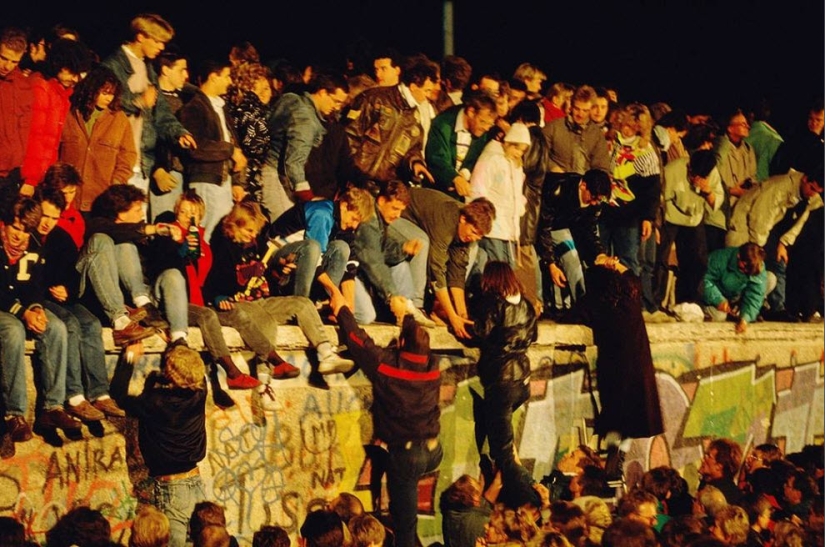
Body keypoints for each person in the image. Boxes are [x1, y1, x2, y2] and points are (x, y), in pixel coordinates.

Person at [329, 283, 442, 547]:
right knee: (404, 515)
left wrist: (343, 309)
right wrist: (407, 316)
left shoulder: (389, 368)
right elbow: (414, 343)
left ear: (401, 344)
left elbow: (358, 340)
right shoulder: (432, 367)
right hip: (433, 451)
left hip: (407, 455)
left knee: (405, 524)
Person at [204, 200, 354, 382]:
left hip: (263, 299)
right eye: (248, 231)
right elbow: (212, 282)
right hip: (240, 302)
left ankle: (326, 353)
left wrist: (280, 270)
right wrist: (219, 297)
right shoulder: (224, 246)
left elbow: (268, 272)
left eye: (255, 232)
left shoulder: (256, 242)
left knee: (303, 303)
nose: (252, 236)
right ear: (234, 225)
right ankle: (264, 376)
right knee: (265, 321)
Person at [559, 261, 664, 481]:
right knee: (629, 421)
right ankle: (616, 463)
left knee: (616, 421)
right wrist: (615, 263)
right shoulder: (630, 292)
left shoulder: (596, 303)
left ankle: (613, 466)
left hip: (615, 372)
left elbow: (570, 317)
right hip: (639, 367)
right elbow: (632, 275)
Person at [36, 185, 126, 422]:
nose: (47, 222)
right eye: (44, 215)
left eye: (54, 217)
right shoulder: (29, 236)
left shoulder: (60, 237)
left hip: (63, 299)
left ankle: (100, 393)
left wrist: (68, 289)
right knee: (71, 325)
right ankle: (75, 396)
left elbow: (72, 275)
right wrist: (49, 290)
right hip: (39, 298)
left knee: (91, 323)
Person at [0, 196, 81, 449]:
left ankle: (52, 406)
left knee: (56, 327)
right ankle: (14, 413)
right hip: (4, 307)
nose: (19, 238)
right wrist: (23, 312)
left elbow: (35, 284)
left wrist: (35, 307)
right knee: (12, 331)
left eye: (25, 232)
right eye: (15, 229)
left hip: (22, 306)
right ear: (4, 224)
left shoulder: (33, 245)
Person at [110, 344, 208, 547]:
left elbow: (118, 395)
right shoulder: (200, 392)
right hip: (196, 483)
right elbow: (186, 373)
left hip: (171, 488)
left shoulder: (155, 403)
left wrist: (129, 357)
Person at [101, 13, 197, 217]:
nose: (162, 47)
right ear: (141, 37)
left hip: (142, 161)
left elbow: (161, 112)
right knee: (117, 220)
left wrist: (178, 133)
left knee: (137, 223)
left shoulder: (148, 70)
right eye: (158, 41)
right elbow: (107, 104)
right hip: (117, 160)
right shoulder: (112, 65)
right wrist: (139, 101)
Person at [470, 261, 538, 493]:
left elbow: (480, 332)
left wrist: (458, 322)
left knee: (503, 453)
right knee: (505, 446)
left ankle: (531, 495)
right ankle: (504, 495)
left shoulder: (493, 304)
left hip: (501, 381)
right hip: (523, 381)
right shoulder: (527, 306)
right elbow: (534, 334)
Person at [400, 188, 495, 338]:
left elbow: (457, 273)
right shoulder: (445, 219)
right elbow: (436, 270)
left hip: (423, 223)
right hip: (402, 215)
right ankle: (417, 306)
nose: (475, 238)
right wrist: (452, 316)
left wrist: (462, 315)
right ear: (463, 219)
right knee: (422, 241)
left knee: (468, 254)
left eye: (479, 236)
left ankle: (439, 309)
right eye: (474, 232)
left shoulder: (463, 231)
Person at [264, 71, 349, 221]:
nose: (337, 107)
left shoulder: (290, 99)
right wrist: (308, 197)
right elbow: (294, 163)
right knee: (285, 228)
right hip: (276, 175)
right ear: (322, 92)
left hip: (266, 168)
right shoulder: (306, 121)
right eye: (336, 101)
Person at [178, 59, 247, 242]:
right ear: (213, 77)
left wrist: (238, 181)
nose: (230, 81)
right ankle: (196, 270)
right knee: (204, 234)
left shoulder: (221, 107)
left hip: (223, 181)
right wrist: (230, 150)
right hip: (205, 181)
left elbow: (233, 141)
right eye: (226, 76)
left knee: (219, 235)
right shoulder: (194, 108)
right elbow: (196, 147)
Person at [349, 180, 433, 326]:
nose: (397, 215)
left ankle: (407, 309)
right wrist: (391, 295)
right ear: (381, 201)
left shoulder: (381, 219)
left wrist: (402, 248)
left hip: (363, 272)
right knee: (366, 316)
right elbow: (373, 261)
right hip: (350, 272)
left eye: (400, 211)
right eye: (395, 208)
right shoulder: (370, 220)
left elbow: (382, 247)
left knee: (401, 265)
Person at [344, 56, 436, 185]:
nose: (429, 95)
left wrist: (415, 163)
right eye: (427, 90)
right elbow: (349, 135)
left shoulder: (415, 117)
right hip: (354, 181)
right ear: (414, 87)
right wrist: (351, 173)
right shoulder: (374, 99)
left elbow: (413, 148)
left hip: (384, 188)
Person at [59, 65, 138, 216]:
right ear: (92, 90)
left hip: (101, 200)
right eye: (105, 93)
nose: (109, 98)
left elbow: (128, 156)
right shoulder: (69, 113)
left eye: (112, 94)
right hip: (68, 199)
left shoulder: (119, 119)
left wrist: (116, 183)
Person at [18, 37, 92, 196]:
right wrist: (30, 179)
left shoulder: (60, 94)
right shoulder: (40, 88)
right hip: (28, 178)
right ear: (58, 64)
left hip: (44, 177)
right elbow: (34, 137)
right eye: (71, 71)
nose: (74, 78)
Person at [655, 149, 723, 308]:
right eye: (693, 174)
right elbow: (660, 199)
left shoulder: (712, 173)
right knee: (660, 259)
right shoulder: (673, 170)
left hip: (694, 219)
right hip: (670, 216)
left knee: (698, 261)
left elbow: (716, 202)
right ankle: (655, 302)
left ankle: (690, 303)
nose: (695, 179)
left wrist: (707, 191)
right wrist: (657, 226)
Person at [536, 169, 613, 307]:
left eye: (599, 199)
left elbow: (590, 230)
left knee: (573, 260)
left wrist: (599, 254)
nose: (595, 202)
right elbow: (544, 227)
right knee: (566, 256)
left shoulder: (595, 203)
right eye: (594, 197)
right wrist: (551, 263)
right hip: (546, 226)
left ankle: (581, 305)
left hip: (566, 228)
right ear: (583, 185)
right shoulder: (557, 189)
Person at [469, 123, 531, 266]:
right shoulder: (491, 160)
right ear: (507, 142)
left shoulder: (516, 167)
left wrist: (520, 207)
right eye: (516, 147)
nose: (518, 153)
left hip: (509, 229)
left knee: (508, 268)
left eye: (522, 150)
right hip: (493, 227)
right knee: (496, 268)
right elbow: (478, 188)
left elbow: (517, 193)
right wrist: (484, 216)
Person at [425, 90, 498, 199]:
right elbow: (436, 158)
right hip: (434, 192)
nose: (486, 128)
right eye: (483, 122)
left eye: (490, 124)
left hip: (458, 195)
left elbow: (476, 161)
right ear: (471, 112)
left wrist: (465, 173)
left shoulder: (482, 132)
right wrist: (454, 178)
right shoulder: (443, 123)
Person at [701, 243, 769, 334]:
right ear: (738, 256)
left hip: (735, 298)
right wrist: (718, 300)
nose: (746, 272)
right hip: (713, 297)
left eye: (749, 272)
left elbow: (755, 294)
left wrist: (745, 319)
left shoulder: (757, 265)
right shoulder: (720, 258)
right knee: (719, 317)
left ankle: (742, 311)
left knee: (770, 279)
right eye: (744, 268)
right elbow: (704, 281)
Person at [0, 27, 35, 194]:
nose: (7, 66)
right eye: (3, 58)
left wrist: (26, 174)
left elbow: (26, 132)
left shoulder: (23, 86)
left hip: (11, 173)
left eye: (14, 62)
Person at [699, 438, 744, 506]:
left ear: (719, 466)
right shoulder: (734, 491)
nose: (703, 459)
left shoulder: (714, 495)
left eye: (709, 456)